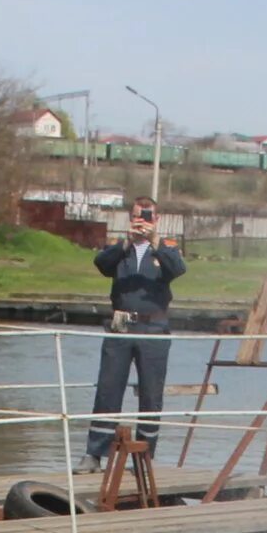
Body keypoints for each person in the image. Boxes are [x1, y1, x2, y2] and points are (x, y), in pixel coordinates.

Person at [85, 198, 185, 471]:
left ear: (157, 219)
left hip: (153, 328)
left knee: (151, 393)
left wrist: (154, 241)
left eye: (147, 217)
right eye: (137, 217)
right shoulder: (121, 249)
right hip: (120, 327)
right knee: (108, 388)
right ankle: (94, 453)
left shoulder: (166, 249)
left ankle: (144, 456)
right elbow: (101, 264)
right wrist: (128, 242)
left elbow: (177, 269)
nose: (142, 222)